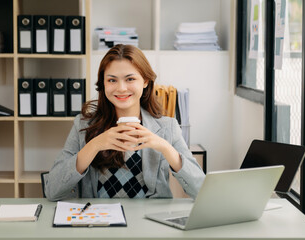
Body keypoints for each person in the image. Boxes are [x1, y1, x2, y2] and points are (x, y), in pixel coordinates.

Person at [45, 44, 205, 201]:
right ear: (103, 84)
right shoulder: (84, 125)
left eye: (130, 79)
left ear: (145, 81)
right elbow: (52, 191)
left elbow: (200, 189)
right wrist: (94, 146)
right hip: (100, 222)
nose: (121, 88)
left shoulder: (167, 127)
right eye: (112, 80)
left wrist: (164, 147)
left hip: (149, 224)